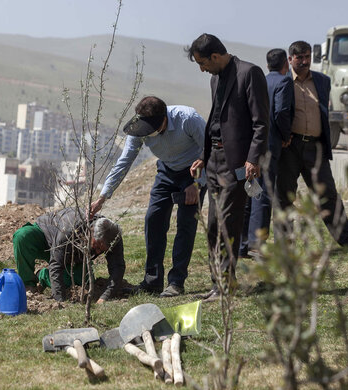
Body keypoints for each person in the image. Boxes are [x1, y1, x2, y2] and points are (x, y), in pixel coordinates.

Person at [89, 96, 206, 297]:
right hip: (166, 171)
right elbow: (124, 161)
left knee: (185, 225)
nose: (146, 134)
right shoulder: (140, 126)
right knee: (153, 220)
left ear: (163, 120)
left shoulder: (188, 119)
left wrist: (197, 183)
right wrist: (103, 196)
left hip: (194, 172)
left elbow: (211, 150)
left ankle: (176, 282)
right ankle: (152, 282)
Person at [186, 34, 269, 301]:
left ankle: (224, 286)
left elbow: (261, 123)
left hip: (239, 164)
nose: (202, 69)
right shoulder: (215, 78)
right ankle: (219, 284)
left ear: (215, 56)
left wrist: (253, 159)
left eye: (202, 63)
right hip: (214, 163)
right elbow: (218, 120)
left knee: (224, 225)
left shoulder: (249, 73)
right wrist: (203, 154)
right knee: (213, 225)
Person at [275, 41, 348, 250]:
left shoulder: (321, 81)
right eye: (299, 57)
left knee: (328, 195)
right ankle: (284, 247)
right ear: (290, 59)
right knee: (284, 197)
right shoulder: (282, 82)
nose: (304, 61)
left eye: (307, 57)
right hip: (289, 148)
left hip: (315, 148)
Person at [240, 48, 294, 257]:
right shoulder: (284, 81)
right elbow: (280, 112)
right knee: (263, 193)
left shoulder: (259, 80)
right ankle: (257, 244)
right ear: (285, 64)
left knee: (250, 191)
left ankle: (243, 244)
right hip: (270, 146)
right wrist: (285, 135)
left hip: (251, 145)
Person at [12, 207, 125, 303]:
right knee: (22, 236)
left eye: (102, 250)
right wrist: (60, 301)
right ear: (90, 231)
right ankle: (28, 284)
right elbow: (56, 265)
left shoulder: (113, 238)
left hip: (72, 254)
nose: (99, 252)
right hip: (47, 239)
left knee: (82, 282)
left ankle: (43, 275)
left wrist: (105, 297)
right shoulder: (71, 229)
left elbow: (117, 267)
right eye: (97, 247)